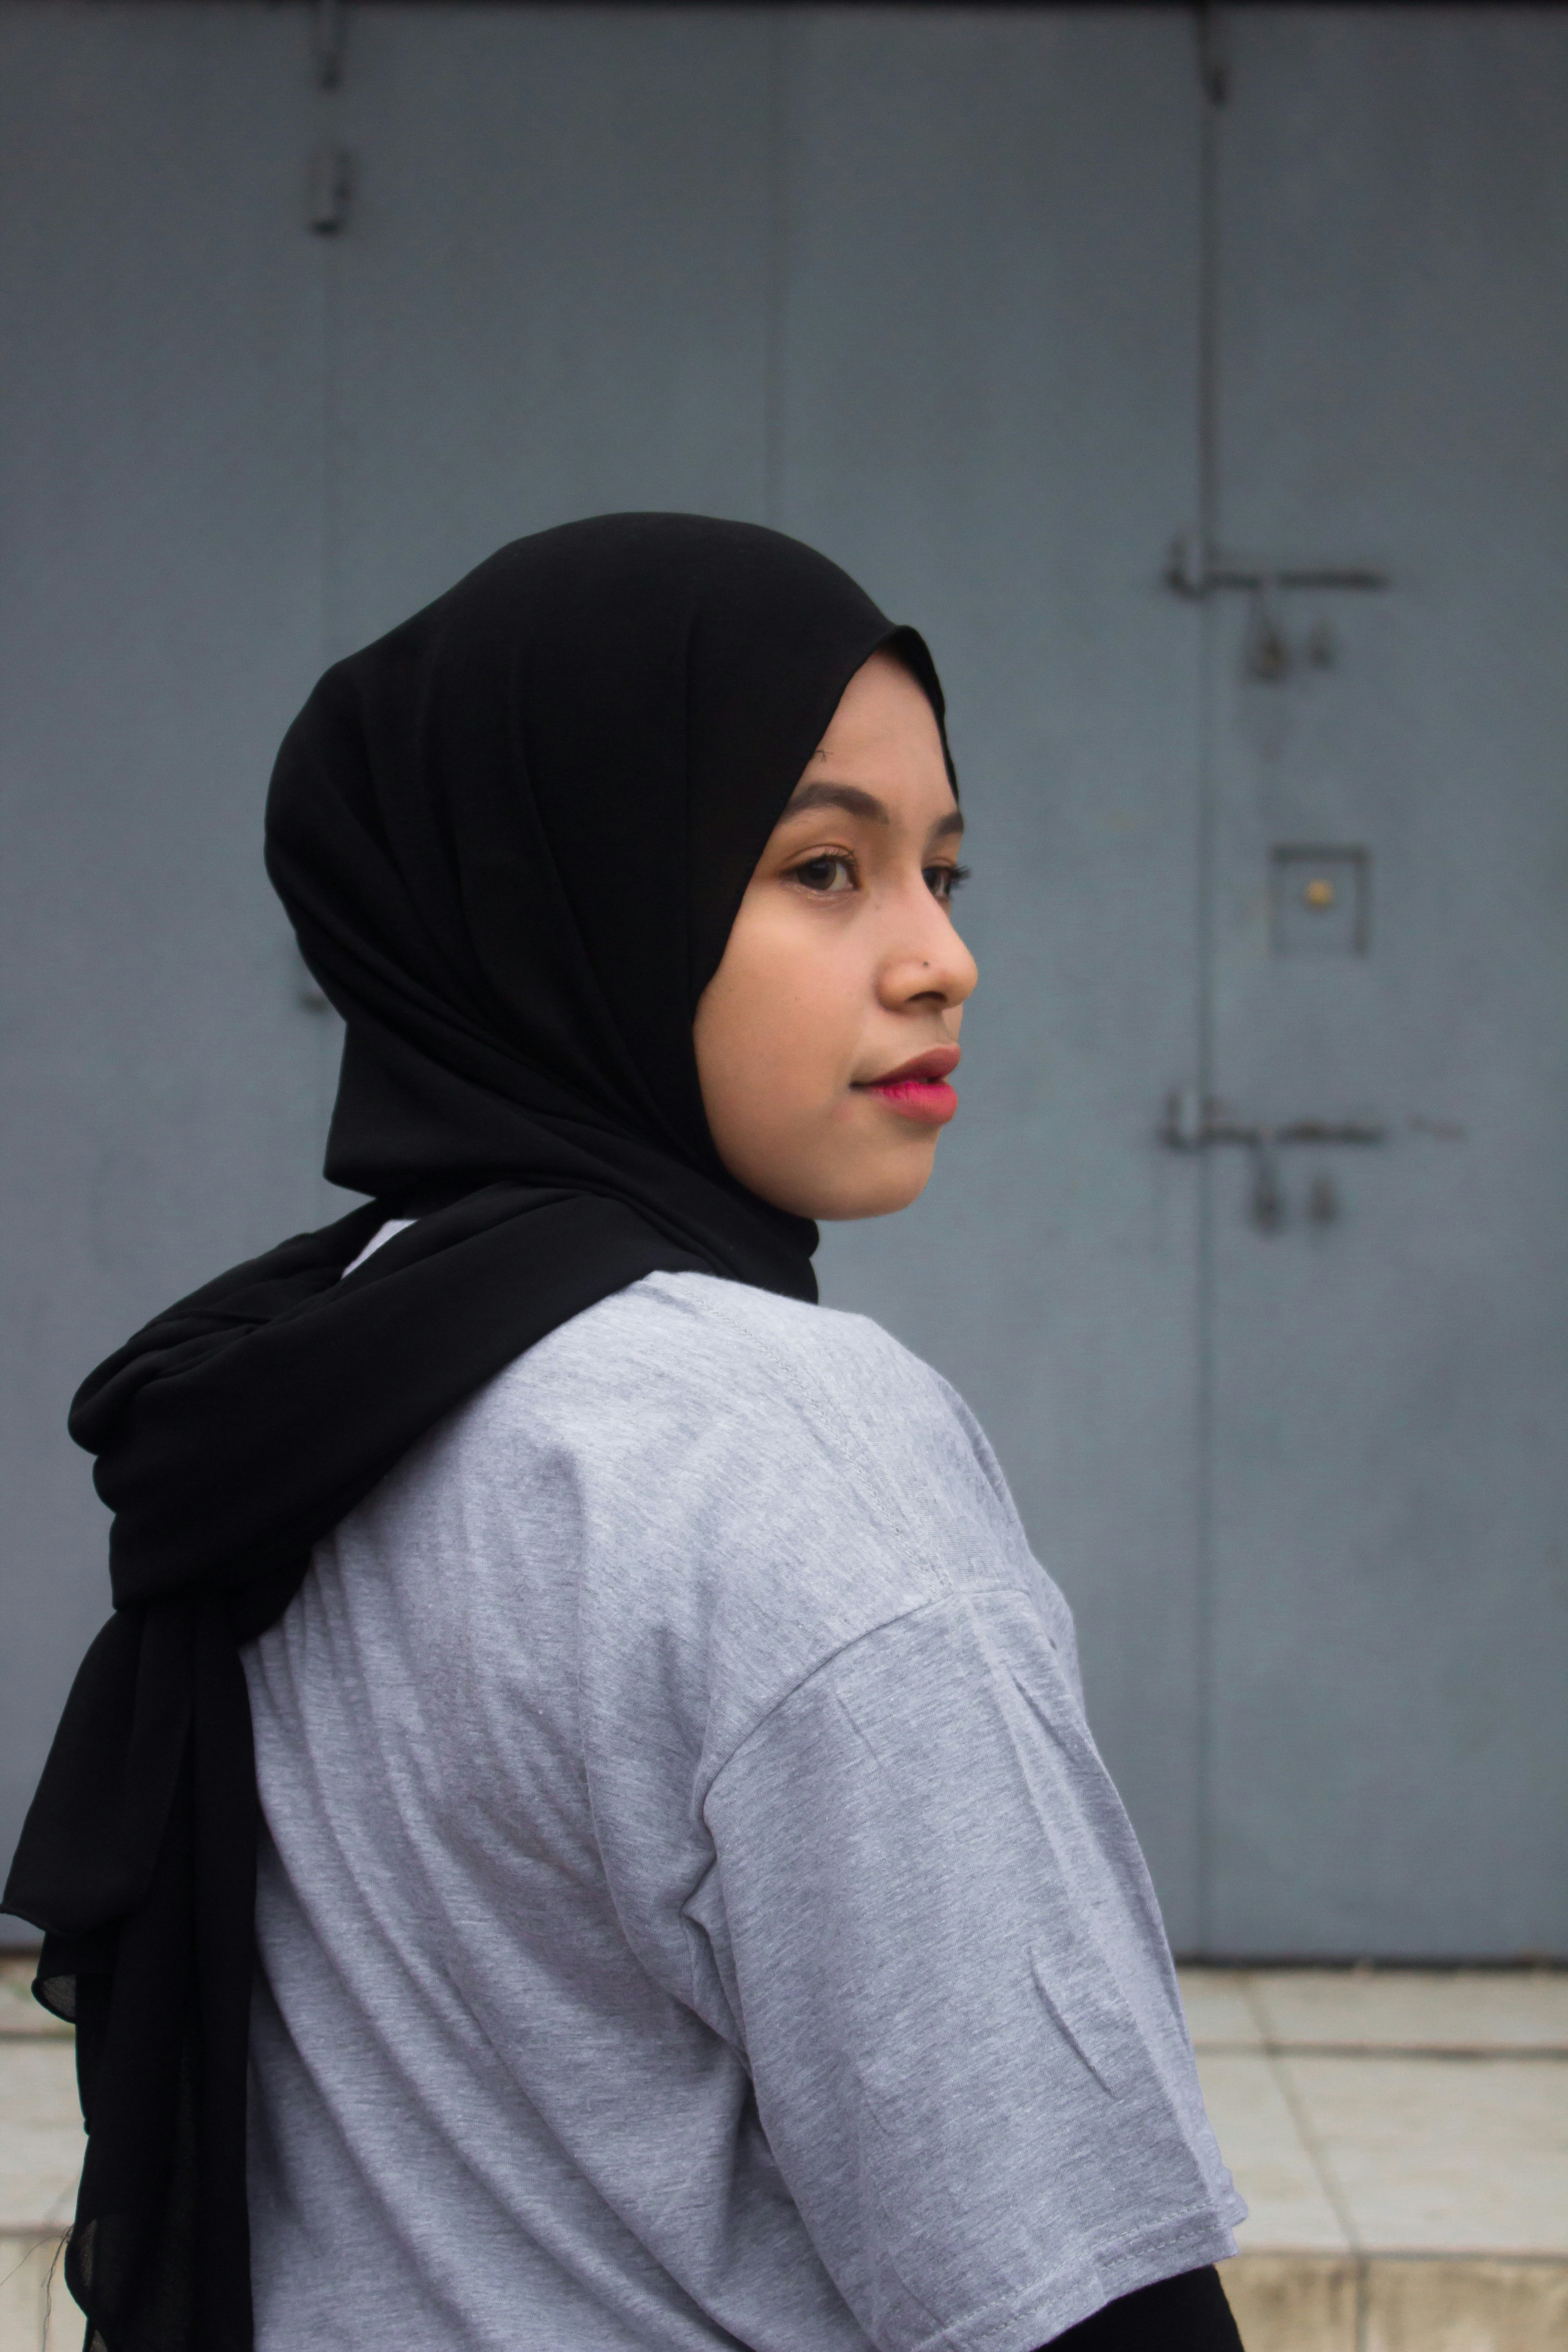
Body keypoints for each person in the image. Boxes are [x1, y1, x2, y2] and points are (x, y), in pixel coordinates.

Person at [6, 515, 1245, 2352]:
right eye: (826, 869)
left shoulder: (329, 1373)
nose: (940, 961)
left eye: (946, 872)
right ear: (569, 896)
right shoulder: (780, 1449)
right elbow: (1063, 2291)